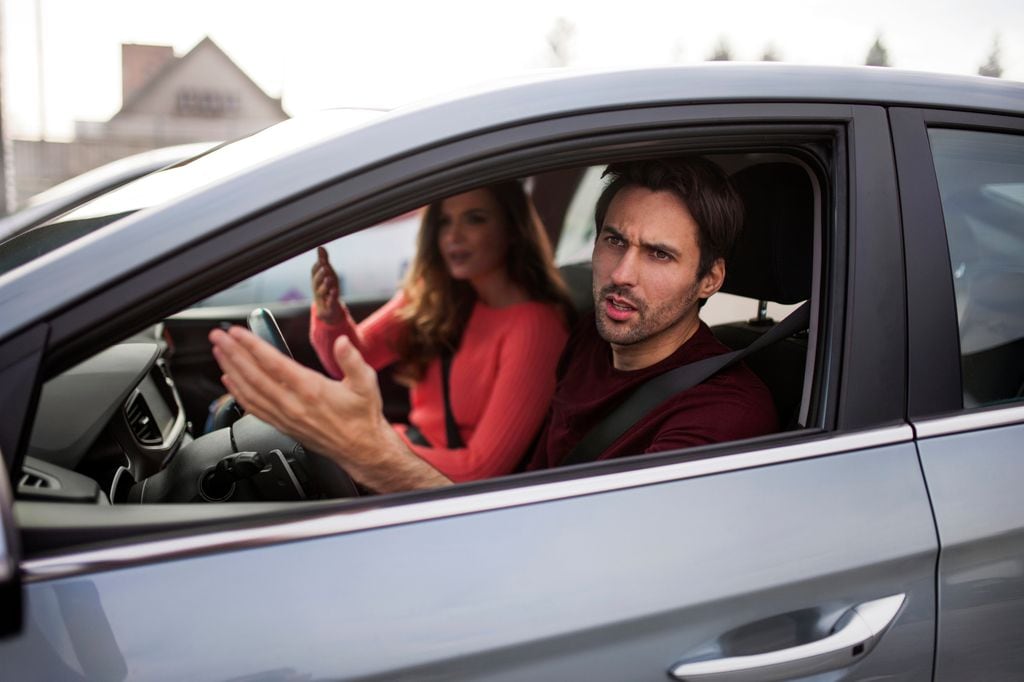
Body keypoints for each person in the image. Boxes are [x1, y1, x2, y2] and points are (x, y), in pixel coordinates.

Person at [209, 157, 777, 493]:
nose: (622, 273)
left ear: (710, 278)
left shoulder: (722, 415)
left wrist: (375, 453)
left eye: (658, 255)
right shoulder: (585, 337)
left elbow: (582, 568)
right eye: (613, 240)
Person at [304, 182, 573, 482]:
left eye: (475, 219)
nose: (453, 236)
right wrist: (330, 315)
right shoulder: (435, 295)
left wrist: (368, 448)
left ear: (512, 228)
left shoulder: (535, 328)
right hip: (406, 456)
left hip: (440, 490)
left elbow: (480, 470)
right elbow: (351, 361)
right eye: (445, 221)